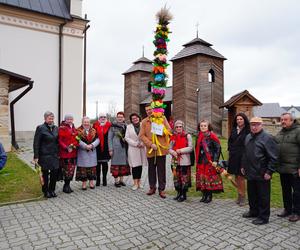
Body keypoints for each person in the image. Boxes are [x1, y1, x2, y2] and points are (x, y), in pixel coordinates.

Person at [242, 117, 278, 225]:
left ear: (261, 125)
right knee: (252, 193)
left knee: (263, 196)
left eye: (257, 124)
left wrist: (269, 172)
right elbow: (245, 153)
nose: (254, 127)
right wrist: (243, 166)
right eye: (252, 124)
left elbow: (274, 157)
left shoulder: (267, 138)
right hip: (250, 171)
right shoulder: (248, 137)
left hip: (262, 172)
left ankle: (263, 217)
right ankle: (253, 211)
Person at [139, 104, 171, 198]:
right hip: (151, 150)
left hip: (161, 149)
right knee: (151, 169)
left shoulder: (162, 118)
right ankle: (152, 187)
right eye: (147, 110)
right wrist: (150, 144)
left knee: (161, 170)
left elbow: (169, 130)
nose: (148, 111)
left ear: (154, 109)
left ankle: (162, 189)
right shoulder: (144, 121)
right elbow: (141, 135)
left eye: (150, 109)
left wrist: (161, 131)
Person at [275, 113, 300, 222]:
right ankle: (287, 209)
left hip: (295, 168)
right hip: (283, 168)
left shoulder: (298, 131)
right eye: (281, 119)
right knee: (285, 191)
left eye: (285, 119)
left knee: (297, 192)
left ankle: (297, 212)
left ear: (291, 121)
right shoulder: (280, 133)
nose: (283, 121)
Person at [195, 119, 223, 203]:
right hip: (201, 161)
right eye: (201, 126)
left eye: (204, 126)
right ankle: (204, 195)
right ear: (199, 127)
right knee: (202, 178)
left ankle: (209, 196)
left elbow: (218, 149)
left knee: (208, 179)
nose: (203, 127)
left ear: (208, 127)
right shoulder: (199, 136)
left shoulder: (212, 136)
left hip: (209, 161)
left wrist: (215, 160)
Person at [33, 111, 59, 198]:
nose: (51, 120)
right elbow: (36, 143)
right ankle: (46, 191)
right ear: (45, 118)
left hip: (54, 155)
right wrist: (36, 156)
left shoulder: (56, 128)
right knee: (45, 174)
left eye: (52, 118)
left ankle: (52, 190)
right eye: (49, 118)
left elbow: (58, 141)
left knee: (54, 173)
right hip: (44, 155)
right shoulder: (40, 128)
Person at [228, 113, 250, 206]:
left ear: (244, 120)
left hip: (243, 157)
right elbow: (230, 142)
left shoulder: (248, 131)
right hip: (234, 156)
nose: (239, 121)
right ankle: (239, 195)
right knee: (236, 177)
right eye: (237, 119)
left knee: (241, 177)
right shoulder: (234, 130)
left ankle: (243, 197)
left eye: (241, 119)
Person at [169, 120, 193, 202]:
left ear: (183, 127)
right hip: (175, 160)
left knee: (184, 178)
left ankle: (184, 194)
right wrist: (173, 152)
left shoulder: (187, 136)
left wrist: (180, 151)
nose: (178, 128)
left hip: (185, 160)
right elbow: (169, 148)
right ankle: (178, 193)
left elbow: (190, 148)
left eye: (180, 126)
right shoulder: (173, 136)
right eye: (177, 127)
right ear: (175, 128)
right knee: (176, 177)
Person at [125, 113, 147, 190]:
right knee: (134, 166)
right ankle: (135, 183)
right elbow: (127, 138)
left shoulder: (143, 125)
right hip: (133, 148)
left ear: (139, 118)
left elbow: (147, 135)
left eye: (136, 118)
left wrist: (143, 143)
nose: (135, 119)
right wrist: (136, 144)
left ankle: (140, 182)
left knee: (140, 166)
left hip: (141, 148)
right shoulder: (129, 127)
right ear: (131, 120)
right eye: (133, 118)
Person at [76, 117, 99, 190]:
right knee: (83, 168)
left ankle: (91, 182)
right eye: (85, 122)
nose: (86, 123)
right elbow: (77, 140)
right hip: (83, 152)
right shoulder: (78, 131)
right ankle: (84, 183)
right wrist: (85, 146)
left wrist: (92, 145)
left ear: (90, 123)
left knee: (92, 168)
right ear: (82, 122)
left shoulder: (94, 130)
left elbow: (98, 139)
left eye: (87, 122)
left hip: (92, 152)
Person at [108, 111, 130, 187]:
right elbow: (109, 138)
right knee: (116, 165)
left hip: (124, 149)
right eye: (118, 117)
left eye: (121, 117)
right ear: (116, 118)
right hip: (116, 148)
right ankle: (116, 181)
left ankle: (121, 180)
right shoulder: (112, 126)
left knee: (123, 165)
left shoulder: (126, 126)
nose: (120, 118)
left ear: (124, 118)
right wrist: (110, 149)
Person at [58, 114, 78, 193]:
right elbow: (60, 140)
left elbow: (77, 138)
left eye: (71, 119)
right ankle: (65, 186)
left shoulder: (74, 128)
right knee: (66, 170)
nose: (70, 120)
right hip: (65, 153)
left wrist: (74, 145)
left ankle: (68, 185)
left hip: (73, 152)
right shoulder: (62, 128)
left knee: (71, 170)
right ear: (65, 120)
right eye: (68, 119)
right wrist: (66, 148)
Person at [93, 113, 111, 186]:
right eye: (101, 117)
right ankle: (98, 179)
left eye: (104, 117)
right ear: (99, 118)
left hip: (106, 147)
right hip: (97, 147)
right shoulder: (95, 125)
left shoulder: (109, 125)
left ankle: (104, 179)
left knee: (105, 164)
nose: (103, 118)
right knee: (97, 165)